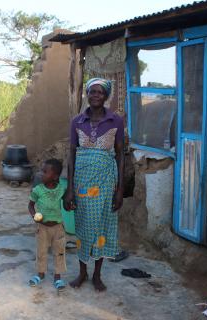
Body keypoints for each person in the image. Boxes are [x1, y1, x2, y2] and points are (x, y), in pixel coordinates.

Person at [65, 78, 125, 292]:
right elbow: (71, 155)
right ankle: (82, 273)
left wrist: (120, 190)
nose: (96, 95)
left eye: (100, 92)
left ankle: (97, 275)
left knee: (102, 227)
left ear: (106, 96)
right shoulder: (77, 121)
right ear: (87, 95)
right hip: (82, 183)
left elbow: (120, 156)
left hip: (106, 183)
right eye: (92, 92)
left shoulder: (115, 121)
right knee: (82, 227)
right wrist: (69, 188)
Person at [28, 158, 67, 291]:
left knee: (59, 252)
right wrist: (34, 216)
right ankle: (40, 274)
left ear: (55, 176)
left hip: (58, 227)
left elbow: (67, 205)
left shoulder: (61, 190)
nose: (41, 174)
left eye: (45, 172)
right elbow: (30, 205)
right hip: (42, 227)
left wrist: (71, 202)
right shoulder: (37, 190)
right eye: (41, 171)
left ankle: (58, 277)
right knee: (41, 251)